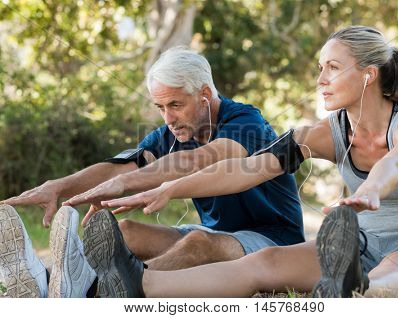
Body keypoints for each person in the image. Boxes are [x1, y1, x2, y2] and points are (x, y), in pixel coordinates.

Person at [92, 25, 398, 297]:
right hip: (362, 244)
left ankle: (354, 293)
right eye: (320, 67)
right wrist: (172, 187)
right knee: (264, 262)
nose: (320, 79)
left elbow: (397, 163)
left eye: (333, 67)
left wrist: (371, 190)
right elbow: (249, 169)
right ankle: (140, 284)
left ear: (368, 74)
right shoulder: (325, 133)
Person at [0, 47, 304, 297]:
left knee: (197, 243)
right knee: (127, 231)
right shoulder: (172, 134)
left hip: (273, 240)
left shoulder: (245, 119)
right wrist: (59, 186)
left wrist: (125, 183)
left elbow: (208, 158)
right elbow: (120, 166)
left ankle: (103, 294)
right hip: (219, 235)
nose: (168, 117)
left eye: (175, 104)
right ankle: (44, 283)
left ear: (205, 94)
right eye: (160, 107)